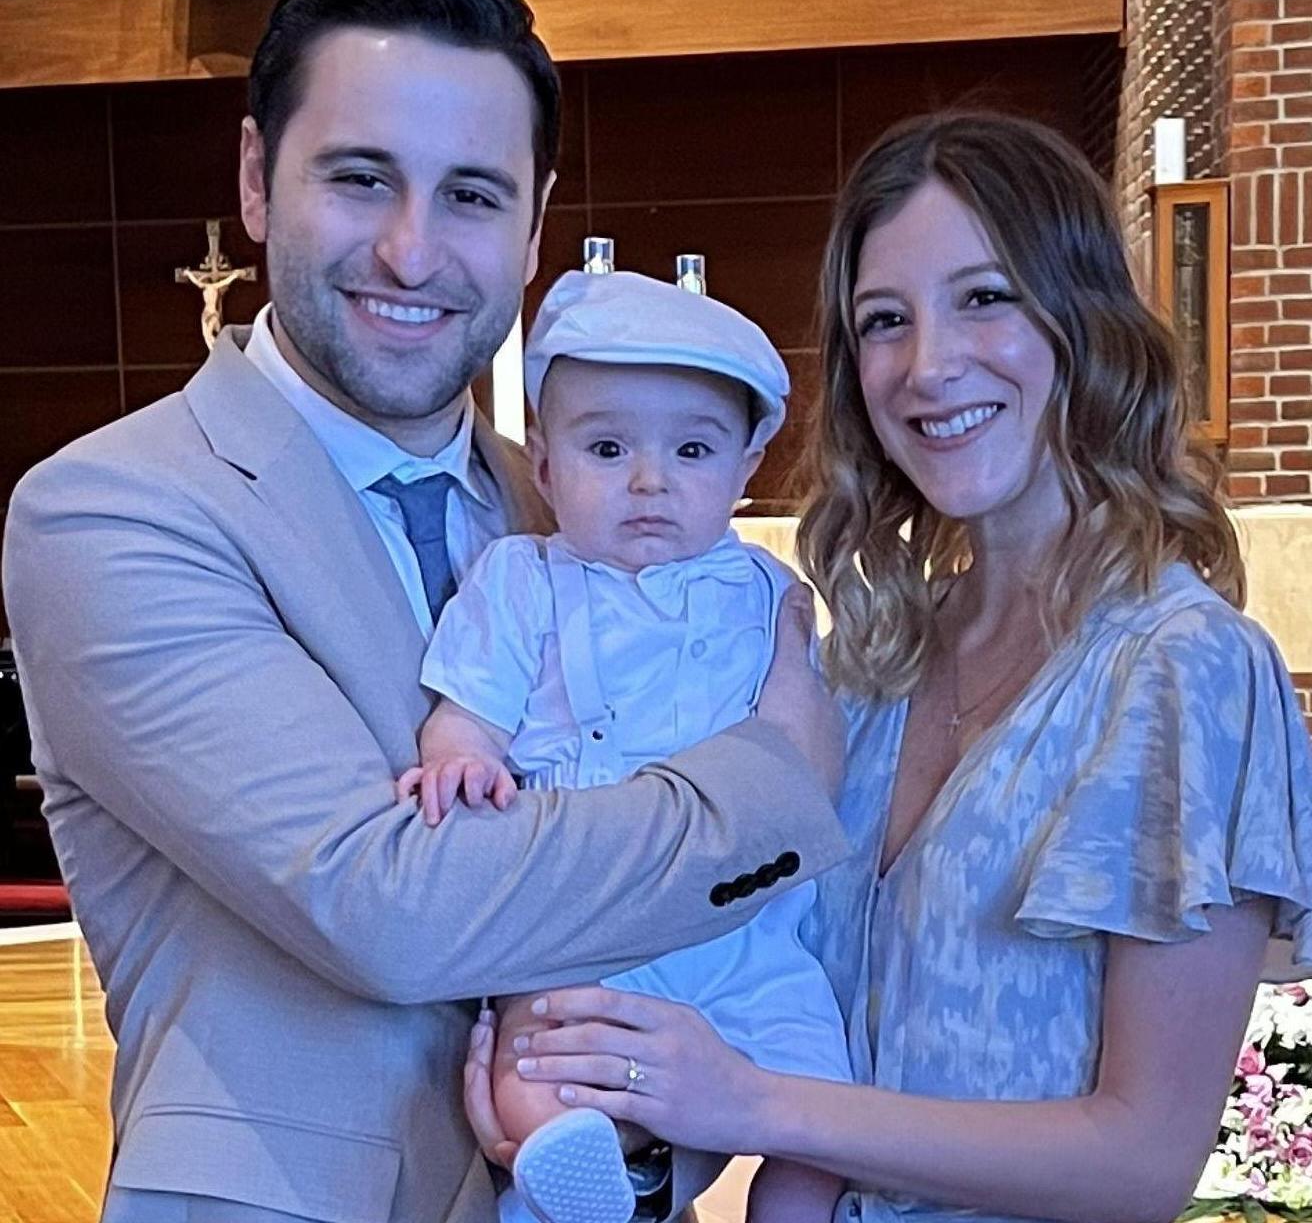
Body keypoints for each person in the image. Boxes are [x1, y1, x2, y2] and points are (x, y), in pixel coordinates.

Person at [0, 0, 851, 1223]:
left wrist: (636, 1149)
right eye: (359, 178)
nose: (411, 251)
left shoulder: (566, 504)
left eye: (470, 194)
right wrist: (776, 780)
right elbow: (385, 901)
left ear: (532, 224)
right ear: (256, 178)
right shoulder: (115, 508)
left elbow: (676, 941)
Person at [473, 111, 1312, 1223]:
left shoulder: (1185, 670)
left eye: (984, 297)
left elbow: (1143, 1159)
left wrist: (758, 1105)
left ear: (1083, 320)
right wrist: (615, 1129)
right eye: (884, 320)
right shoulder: (866, 664)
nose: (928, 365)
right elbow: (755, 999)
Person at [398, 269, 850, 1223]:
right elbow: (469, 708)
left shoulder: (767, 593)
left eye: (693, 450)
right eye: (607, 449)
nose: (651, 481)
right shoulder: (522, 580)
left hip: (748, 937)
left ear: (745, 469)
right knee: (538, 1058)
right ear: (545, 467)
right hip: (584, 920)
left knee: (819, 1115)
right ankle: (572, 1169)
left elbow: (806, 750)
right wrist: (461, 755)